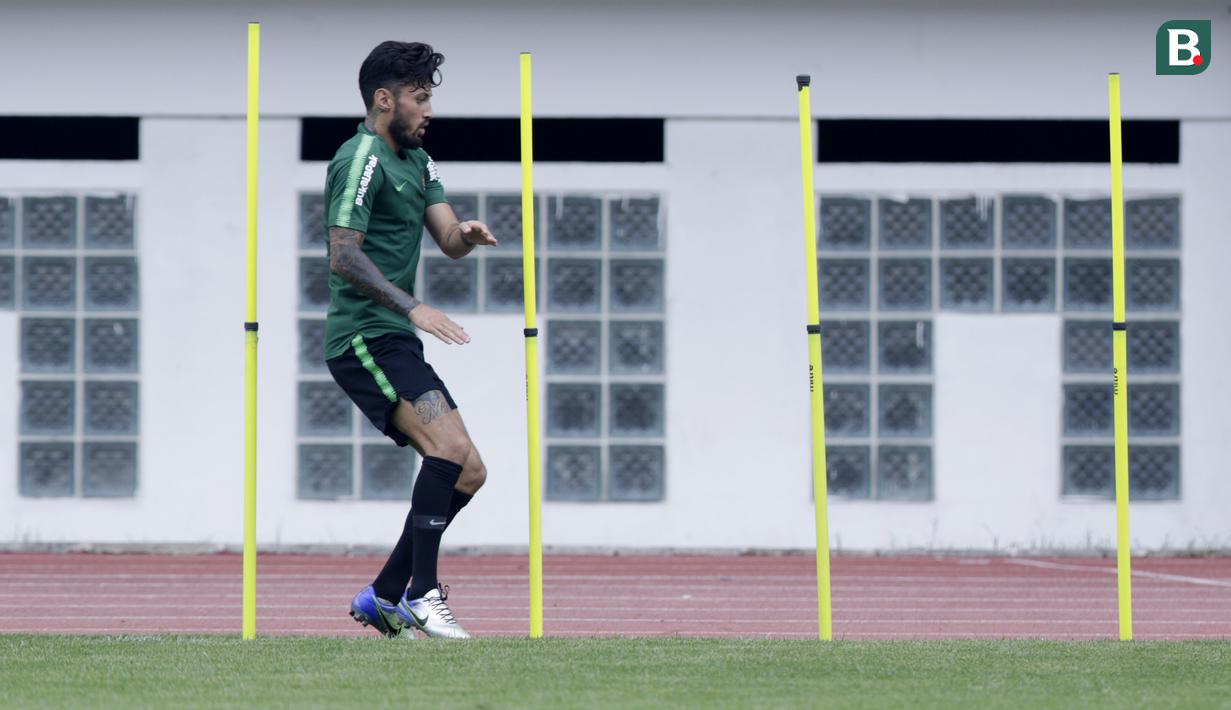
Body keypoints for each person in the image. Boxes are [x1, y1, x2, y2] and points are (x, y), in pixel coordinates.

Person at [324, 40, 497, 639]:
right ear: (383, 99)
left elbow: (447, 237)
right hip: (364, 337)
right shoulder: (363, 156)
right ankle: (423, 594)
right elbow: (343, 256)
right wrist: (414, 307)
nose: (430, 110)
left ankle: (385, 593)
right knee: (449, 451)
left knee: (469, 471)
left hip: (394, 338)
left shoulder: (419, 163)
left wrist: (467, 235)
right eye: (419, 98)